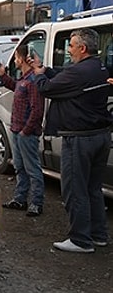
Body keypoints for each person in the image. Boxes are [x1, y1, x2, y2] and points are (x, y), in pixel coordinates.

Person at [33, 28, 111, 253]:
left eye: (71, 45)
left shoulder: (79, 73)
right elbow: (64, 75)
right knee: (93, 189)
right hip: (100, 136)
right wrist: (46, 69)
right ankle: (98, 235)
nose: (68, 50)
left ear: (82, 48)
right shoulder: (99, 66)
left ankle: (80, 240)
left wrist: (38, 74)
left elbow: (45, 89)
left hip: (79, 140)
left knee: (75, 190)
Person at [0, 44, 45, 217]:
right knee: (20, 167)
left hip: (25, 132)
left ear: (22, 58)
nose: (15, 60)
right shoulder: (24, 79)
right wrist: (4, 77)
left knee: (32, 168)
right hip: (18, 130)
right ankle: (20, 199)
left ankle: (36, 203)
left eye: (16, 57)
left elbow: (37, 109)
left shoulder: (33, 80)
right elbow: (17, 88)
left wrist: (26, 130)